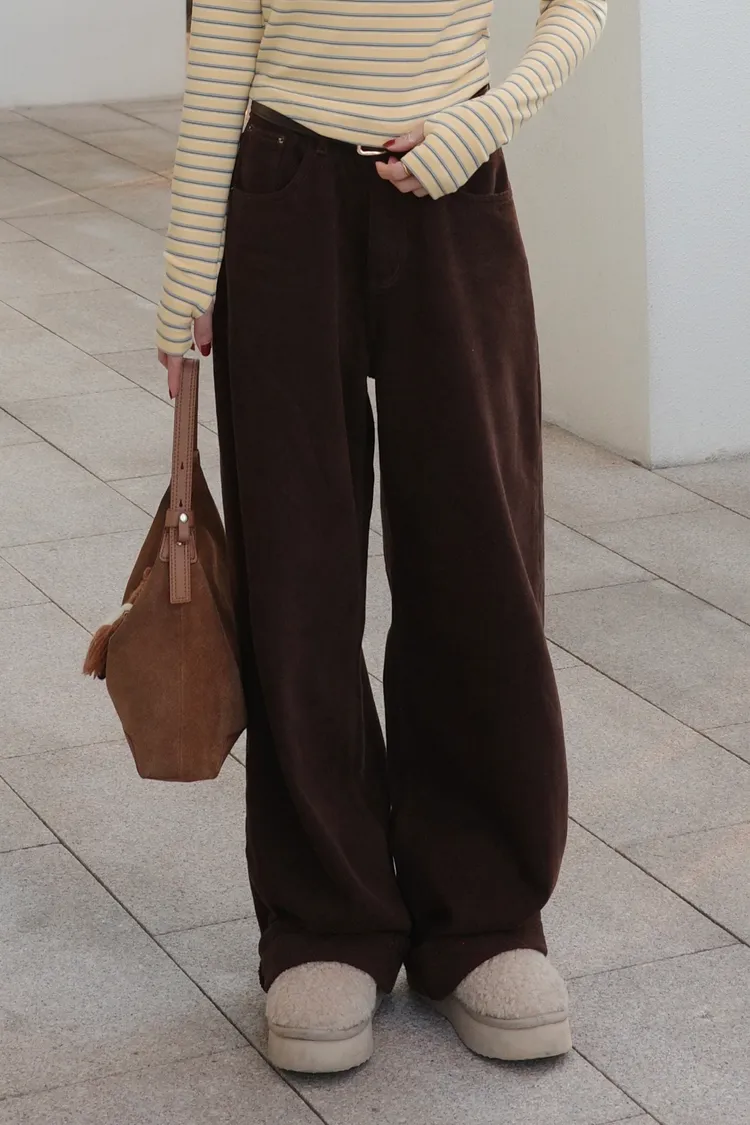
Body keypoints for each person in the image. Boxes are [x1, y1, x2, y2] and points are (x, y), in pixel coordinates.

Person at [158, 0, 607, 1074]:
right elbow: (224, 40)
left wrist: (486, 118)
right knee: (295, 576)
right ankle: (326, 918)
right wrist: (186, 271)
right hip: (283, 196)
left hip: (456, 191)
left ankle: (484, 916)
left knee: (480, 562)